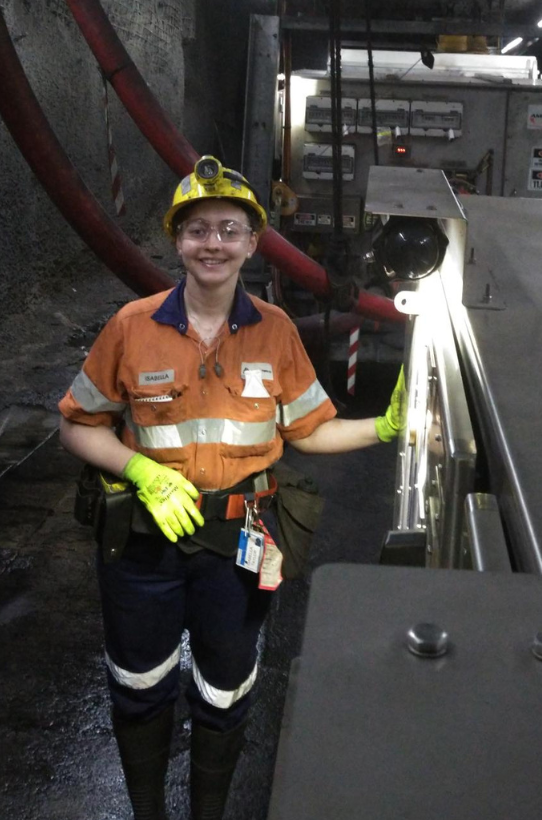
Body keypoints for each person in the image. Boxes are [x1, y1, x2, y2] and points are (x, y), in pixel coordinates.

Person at [58, 156, 406, 820]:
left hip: (241, 544)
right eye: (196, 230)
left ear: (251, 244)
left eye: (227, 230)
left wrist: (380, 428)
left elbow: (309, 431)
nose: (211, 244)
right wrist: (142, 471)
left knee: (225, 687)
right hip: (143, 545)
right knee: (139, 684)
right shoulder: (132, 326)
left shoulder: (275, 331)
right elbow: (78, 425)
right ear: (177, 241)